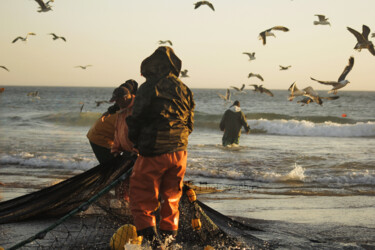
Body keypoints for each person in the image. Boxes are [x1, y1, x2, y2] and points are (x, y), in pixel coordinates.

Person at [126, 46, 195, 248]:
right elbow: (190, 123)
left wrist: (136, 142)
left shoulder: (148, 87)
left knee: (141, 197)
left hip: (153, 150)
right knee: (171, 198)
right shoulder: (185, 89)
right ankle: (169, 242)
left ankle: (152, 243)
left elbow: (136, 118)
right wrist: (179, 141)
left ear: (150, 66)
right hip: (179, 152)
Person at [86, 80, 138, 165]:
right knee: (111, 167)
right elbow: (121, 133)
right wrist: (116, 150)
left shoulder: (134, 109)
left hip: (100, 134)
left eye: (117, 101)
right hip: (99, 138)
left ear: (125, 98)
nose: (116, 103)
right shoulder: (121, 111)